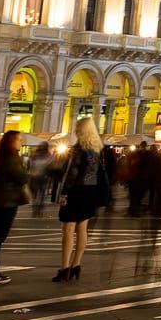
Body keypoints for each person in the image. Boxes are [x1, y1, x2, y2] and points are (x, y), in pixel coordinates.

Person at [55, 116, 106, 282]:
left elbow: (72, 174)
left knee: (68, 229)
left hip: (76, 191)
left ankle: (64, 268)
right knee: (82, 228)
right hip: (90, 192)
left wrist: (63, 193)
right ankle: (76, 265)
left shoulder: (78, 149)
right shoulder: (97, 149)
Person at [0, 130, 29, 285]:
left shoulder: (2, 157)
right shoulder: (13, 158)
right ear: (12, 142)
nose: (21, 142)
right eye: (19, 140)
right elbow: (22, 177)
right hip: (7, 202)